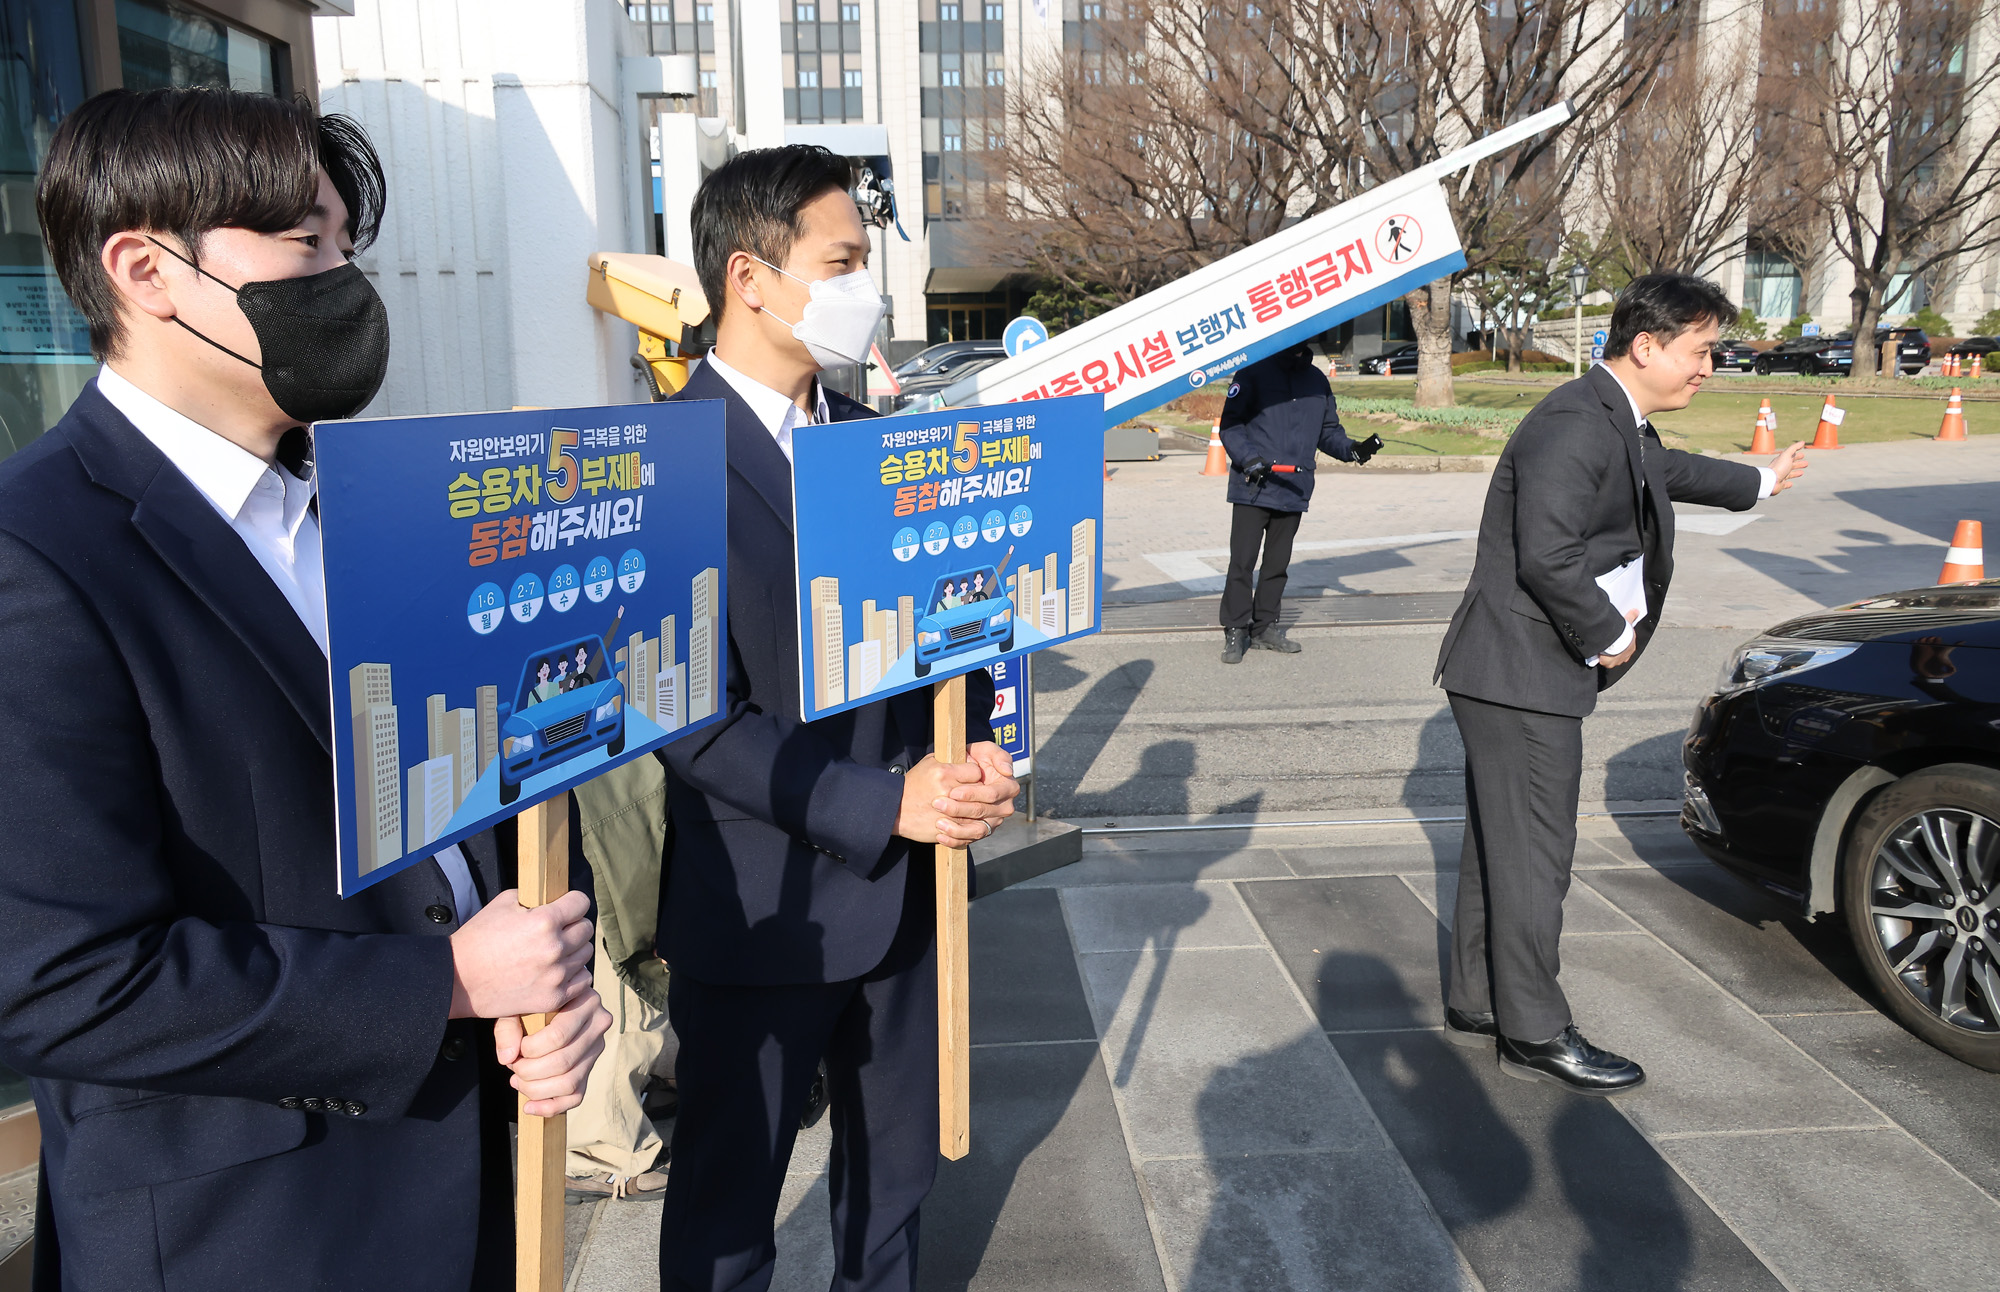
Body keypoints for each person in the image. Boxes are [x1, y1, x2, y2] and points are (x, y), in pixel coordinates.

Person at [0, 88, 610, 1289]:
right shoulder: (37, 554)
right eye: (303, 244)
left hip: (464, 1176)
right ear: (145, 270)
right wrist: (445, 982)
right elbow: (63, 981)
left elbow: (488, 779)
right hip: (250, 1235)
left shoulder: (372, 502)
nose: (344, 281)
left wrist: (543, 965)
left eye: (346, 244)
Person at [656, 144, 1019, 1292]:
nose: (868, 288)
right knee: (726, 1218)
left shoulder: (880, 444)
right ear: (749, 277)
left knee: (894, 1193)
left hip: (912, 894)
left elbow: (951, 634)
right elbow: (692, 723)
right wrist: (885, 803)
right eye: (843, 261)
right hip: (762, 909)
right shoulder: (659, 462)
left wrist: (977, 747)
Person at [1433, 274, 1807, 1093]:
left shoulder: (1613, 414)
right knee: (1537, 855)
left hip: (1513, 668)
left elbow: (1663, 471)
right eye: (1700, 351)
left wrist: (1758, 480)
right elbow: (1549, 555)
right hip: (1521, 671)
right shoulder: (1575, 424)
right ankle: (1533, 1030)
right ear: (1646, 345)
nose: (1708, 367)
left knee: (1503, 845)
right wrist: (1608, 633)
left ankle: (1479, 998)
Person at [1217, 341, 1381, 663]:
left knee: (1277, 565)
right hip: (1254, 485)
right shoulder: (1253, 372)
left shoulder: (1317, 381)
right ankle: (1235, 629)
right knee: (1242, 562)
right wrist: (1249, 459)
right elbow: (1231, 425)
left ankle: (1265, 628)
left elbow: (1328, 432)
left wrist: (1353, 450)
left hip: (1294, 486)